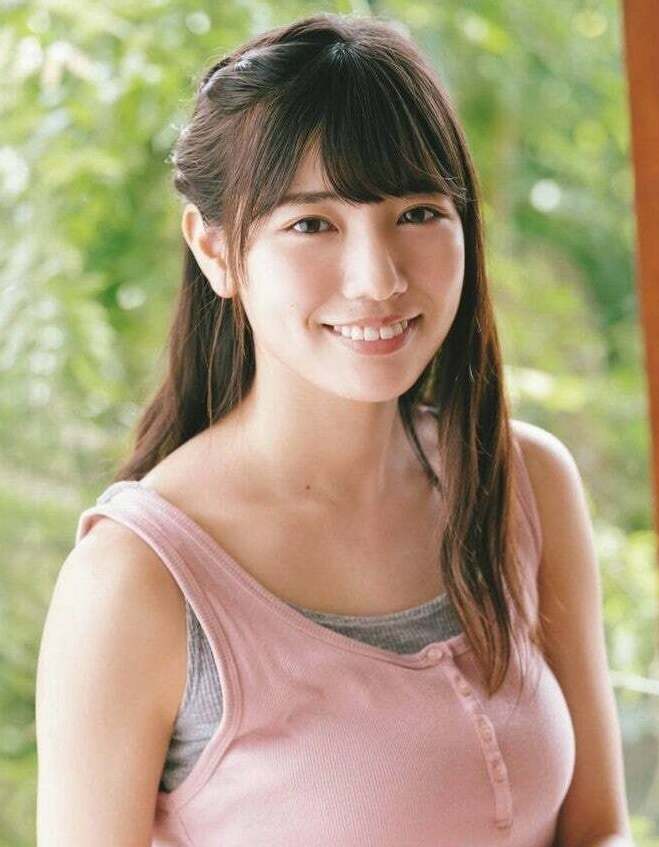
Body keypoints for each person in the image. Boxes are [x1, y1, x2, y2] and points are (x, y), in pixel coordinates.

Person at [35, 11, 632, 847]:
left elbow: (596, 827)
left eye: (417, 212)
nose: (377, 278)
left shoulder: (523, 481)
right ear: (213, 249)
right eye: (311, 224)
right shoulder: (135, 580)